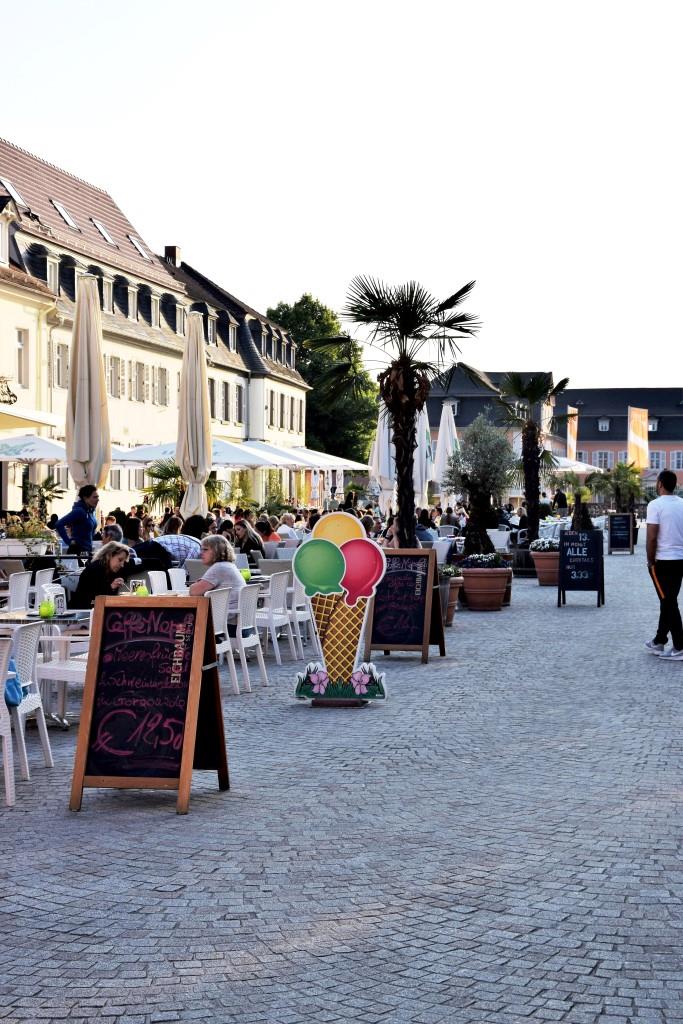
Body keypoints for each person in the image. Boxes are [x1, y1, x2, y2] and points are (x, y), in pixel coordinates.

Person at [645, 469, 683, 659]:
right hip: (680, 559)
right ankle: (659, 641)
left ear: (659, 484)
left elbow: (651, 537)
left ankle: (679, 646)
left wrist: (650, 561)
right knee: (668, 601)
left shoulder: (655, 505)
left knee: (668, 602)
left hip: (664, 561)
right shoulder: (682, 504)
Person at [189, 534, 246, 619]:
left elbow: (194, 591)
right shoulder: (228, 565)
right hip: (236, 617)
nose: (201, 553)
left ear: (217, 550)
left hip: (225, 620)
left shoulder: (219, 567)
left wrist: (196, 584)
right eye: (201, 549)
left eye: (205, 549)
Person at [71, 541, 135, 609]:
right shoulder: (94, 570)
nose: (122, 565)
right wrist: (111, 587)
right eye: (120, 560)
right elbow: (92, 600)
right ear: (109, 555)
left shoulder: (111, 570)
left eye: (123, 562)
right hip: (82, 610)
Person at [56, 484, 100, 555]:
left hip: (87, 551)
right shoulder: (79, 511)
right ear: (85, 498)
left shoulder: (91, 511)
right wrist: (69, 541)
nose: (98, 499)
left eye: (98, 497)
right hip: (77, 551)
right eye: (95, 497)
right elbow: (59, 524)